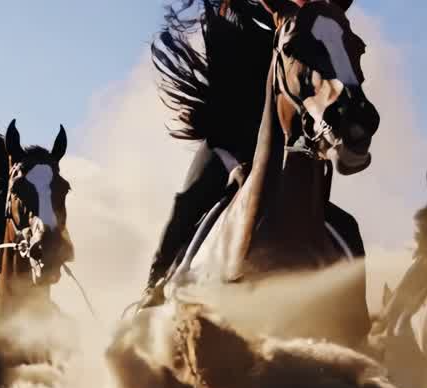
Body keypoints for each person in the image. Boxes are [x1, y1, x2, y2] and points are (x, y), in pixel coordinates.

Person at [138, 0, 366, 310]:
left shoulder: (305, 19)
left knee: (347, 226)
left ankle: (360, 325)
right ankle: (154, 287)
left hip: (288, 148)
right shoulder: (235, 13)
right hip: (229, 143)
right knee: (189, 201)